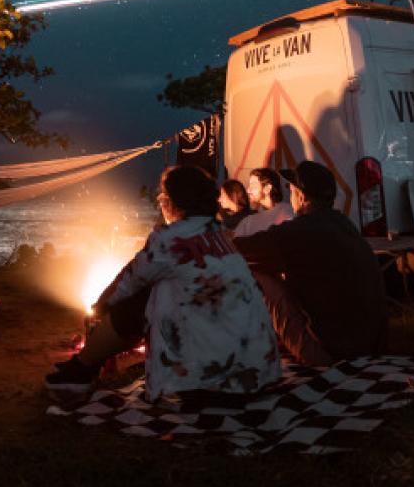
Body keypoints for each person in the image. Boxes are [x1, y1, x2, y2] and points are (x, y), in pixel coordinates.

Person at [46, 166, 280, 399]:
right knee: (166, 287)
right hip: (258, 375)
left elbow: (127, 283)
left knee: (139, 300)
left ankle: (82, 369)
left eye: (162, 197)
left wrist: (98, 309)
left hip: (207, 384)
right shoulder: (222, 235)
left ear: (171, 202)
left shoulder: (171, 239)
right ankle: (85, 365)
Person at [234, 160, 387, 367]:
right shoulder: (344, 225)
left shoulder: (300, 232)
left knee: (258, 272)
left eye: (291, 189)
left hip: (329, 353)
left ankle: (243, 341)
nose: (289, 195)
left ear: (302, 196)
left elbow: (241, 249)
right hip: (370, 346)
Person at [233, 167, 294, 237]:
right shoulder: (248, 222)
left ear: (267, 188)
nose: (248, 190)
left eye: (253, 185)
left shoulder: (287, 212)